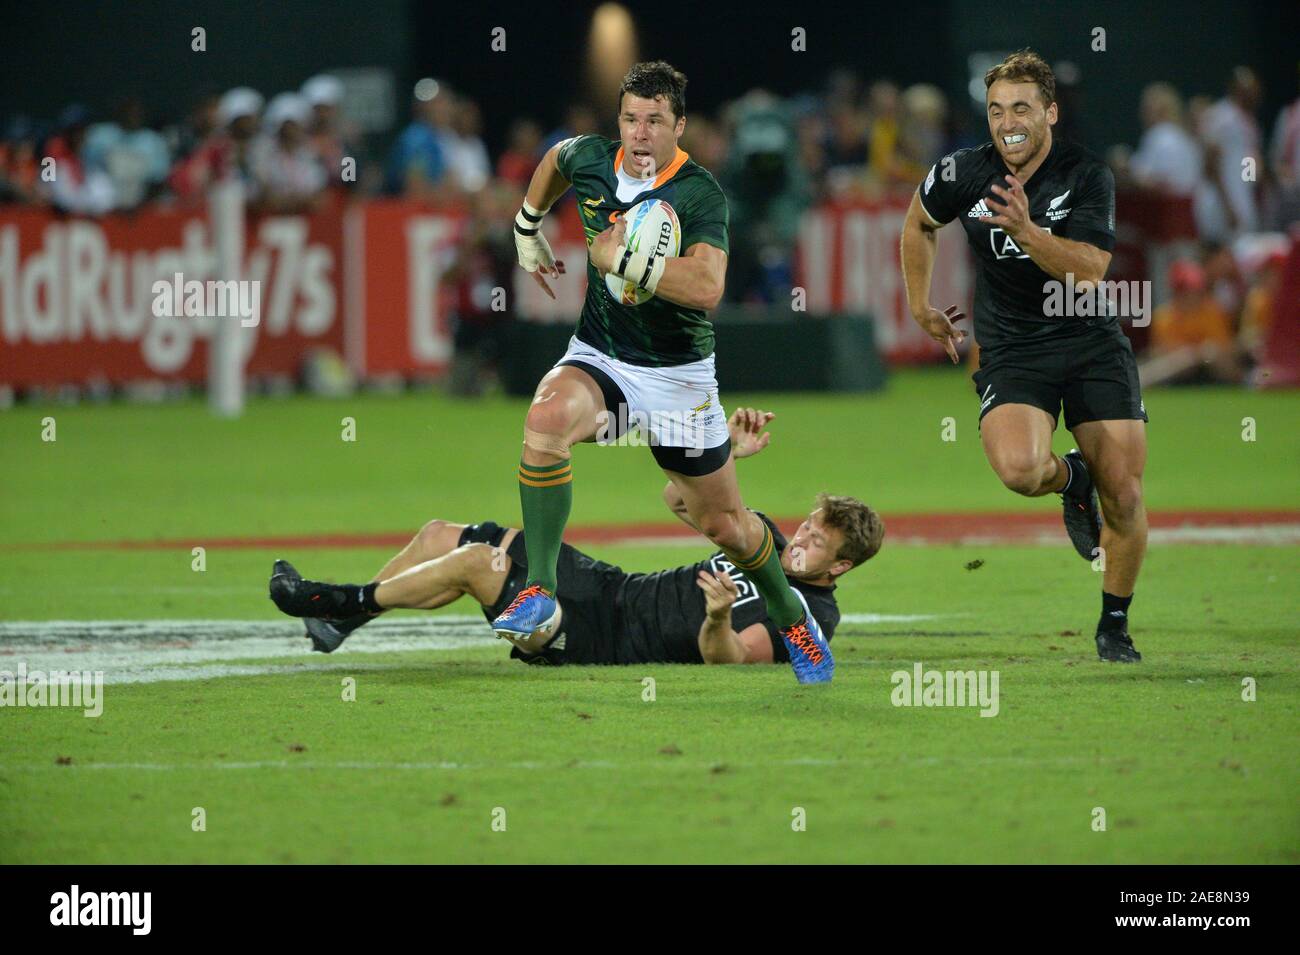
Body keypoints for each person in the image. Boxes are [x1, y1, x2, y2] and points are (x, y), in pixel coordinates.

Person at [500, 60, 834, 683]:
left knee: (726, 526)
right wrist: (527, 225)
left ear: (679, 125)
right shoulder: (592, 159)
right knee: (545, 421)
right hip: (603, 359)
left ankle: (791, 614)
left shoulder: (700, 192)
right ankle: (540, 588)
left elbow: (708, 286)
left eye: (655, 121)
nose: (640, 133)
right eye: (630, 118)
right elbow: (554, 161)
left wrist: (622, 258)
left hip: (680, 381)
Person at [268, 408, 883, 668]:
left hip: (603, 640)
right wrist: (724, 457)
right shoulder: (763, 543)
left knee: (479, 564)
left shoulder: (813, 617)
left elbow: (733, 660)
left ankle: (335, 603)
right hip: (608, 586)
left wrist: (718, 618)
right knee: (441, 535)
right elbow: (678, 497)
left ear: (843, 566)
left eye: (817, 542)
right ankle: (338, 627)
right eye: (807, 526)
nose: (800, 541)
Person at [899, 49, 1148, 663]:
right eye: (995, 109)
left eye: (1021, 107)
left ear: (1050, 113)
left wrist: (1029, 234)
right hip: (1012, 348)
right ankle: (1072, 477)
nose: (1007, 121)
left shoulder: (1088, 175)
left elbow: (1090, 270)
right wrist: (919, 304)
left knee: (1124, 493)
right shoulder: (962, 170)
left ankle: (1113, 625)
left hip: (1090, 341)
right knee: (1018, 470)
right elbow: (918, 224)